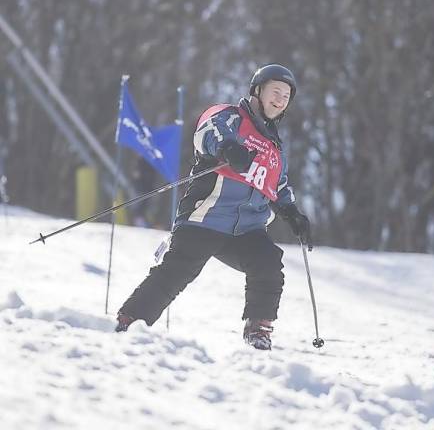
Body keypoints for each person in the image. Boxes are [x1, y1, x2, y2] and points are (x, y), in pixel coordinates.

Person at [115, 64, 311, 350]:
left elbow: (278, 185)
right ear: (257, 91)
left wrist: (292, 212)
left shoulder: (274, 148)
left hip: (246, 229)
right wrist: (228, 148)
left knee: (268, 262)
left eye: (286, 96)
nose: (280, 100)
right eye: (275, 91)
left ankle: (258, 328)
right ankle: (130, 320)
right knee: (179, 269)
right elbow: (209, 129)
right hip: (205, 217)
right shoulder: (230, 117)